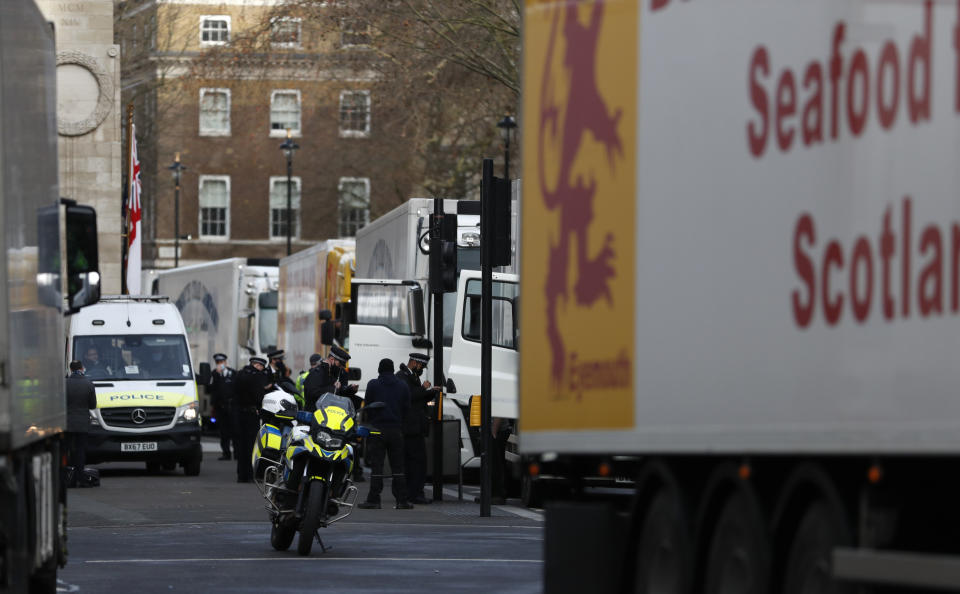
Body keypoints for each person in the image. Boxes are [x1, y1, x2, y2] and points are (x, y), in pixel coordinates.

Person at [358, 358, 412, 510]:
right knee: (398, 466)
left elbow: (368, 405)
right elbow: (407, 407)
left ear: (380, 369)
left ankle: (374, 499)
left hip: (377, 430)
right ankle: (402, 500)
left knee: (377, 466)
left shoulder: (373, 384)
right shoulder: (402, 385)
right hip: (396, 430)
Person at [397, 352, 439, 504]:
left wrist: (431, 392)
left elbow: (418, 399)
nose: (422, 369)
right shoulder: (402, 376)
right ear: (414, 363)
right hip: (410, 428)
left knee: (416, 462)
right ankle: (414, 494)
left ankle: (413, 493)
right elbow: (409, 396)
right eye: (421, 365)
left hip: (415, 427)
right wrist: (424, 388)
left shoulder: (412, 376)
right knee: (416, 462)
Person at [233, 356, 272, 483]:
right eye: (261, 367)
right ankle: (249, 474)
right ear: (257, 365)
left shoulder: (239, 374)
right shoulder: (255, 376)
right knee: (251, 445)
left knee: (241, 445)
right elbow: (258, 396)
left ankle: (241, 474)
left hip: (239, 413)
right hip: (251, 414)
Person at [65, 360, 97, 486]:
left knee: (69, 450)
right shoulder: (89, 384)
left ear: (71, 369)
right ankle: (80, 478)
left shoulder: (65, 383)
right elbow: (92, 405)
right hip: (83, 423)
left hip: (68, 422)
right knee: (80, 451)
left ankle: (70, 478)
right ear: (82, 368)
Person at [302, 346, 358, 411]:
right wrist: (334, 388)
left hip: (331, 415)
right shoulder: (316, 373)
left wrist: (350, 390)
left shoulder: (335, 373)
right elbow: (313, 393)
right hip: (315, 416)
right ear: (332, 359)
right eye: (339, 365)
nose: (341, 368)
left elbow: (338, 395)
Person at [209, 353, 236, 461]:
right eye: (218, 363)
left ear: (225, 362)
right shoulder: (214, 374)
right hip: (221, 407)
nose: (220, 364)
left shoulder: (233, 373)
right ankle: (226, 453)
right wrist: (217, 375)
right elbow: (211, 389)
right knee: (224, 432)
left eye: (222, 362)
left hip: (232, 406)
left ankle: (237, 453)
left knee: (235, 431)